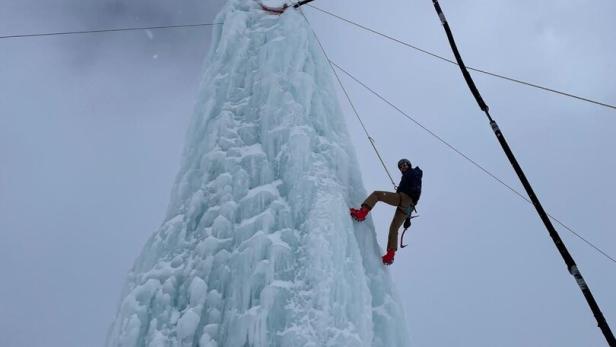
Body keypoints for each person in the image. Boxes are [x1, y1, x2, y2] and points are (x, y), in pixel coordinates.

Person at [350, 159, 423, 265]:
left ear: (409, 165)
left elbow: (414, 184)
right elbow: (414, 192)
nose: (403, 167)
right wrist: (407, 218)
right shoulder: (409, 176)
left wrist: (403, 189)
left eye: (405, 164)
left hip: (404, 199)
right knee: (394, 228)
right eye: (401, 166)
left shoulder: (414, 173)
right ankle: (390, 255)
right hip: (407, 207)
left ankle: (362, 213)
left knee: (377, 194)